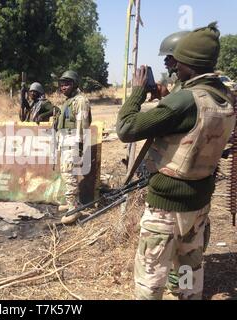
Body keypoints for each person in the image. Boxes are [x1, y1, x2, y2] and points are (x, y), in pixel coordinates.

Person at [116, 23, 236, 300]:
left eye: (177, 62)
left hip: (166, 209)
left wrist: (136, 92)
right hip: (199, 204)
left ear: (190, 65)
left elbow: (126, 129)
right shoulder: (223, 96)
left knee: (150, 279)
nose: (174, 68)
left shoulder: (185, 101)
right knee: (186, 273)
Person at [54, 70, 92, 224]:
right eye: (62, 84)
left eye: (67, 84)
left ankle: (74, 209)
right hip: (65, 142)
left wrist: (80, 148)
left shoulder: (80, 101)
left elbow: (82, 126)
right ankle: (73, 202)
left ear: (75, 84)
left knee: (69, 174)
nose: (63, 87)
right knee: (66, 173)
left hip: (73, 143)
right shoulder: (69, 100)